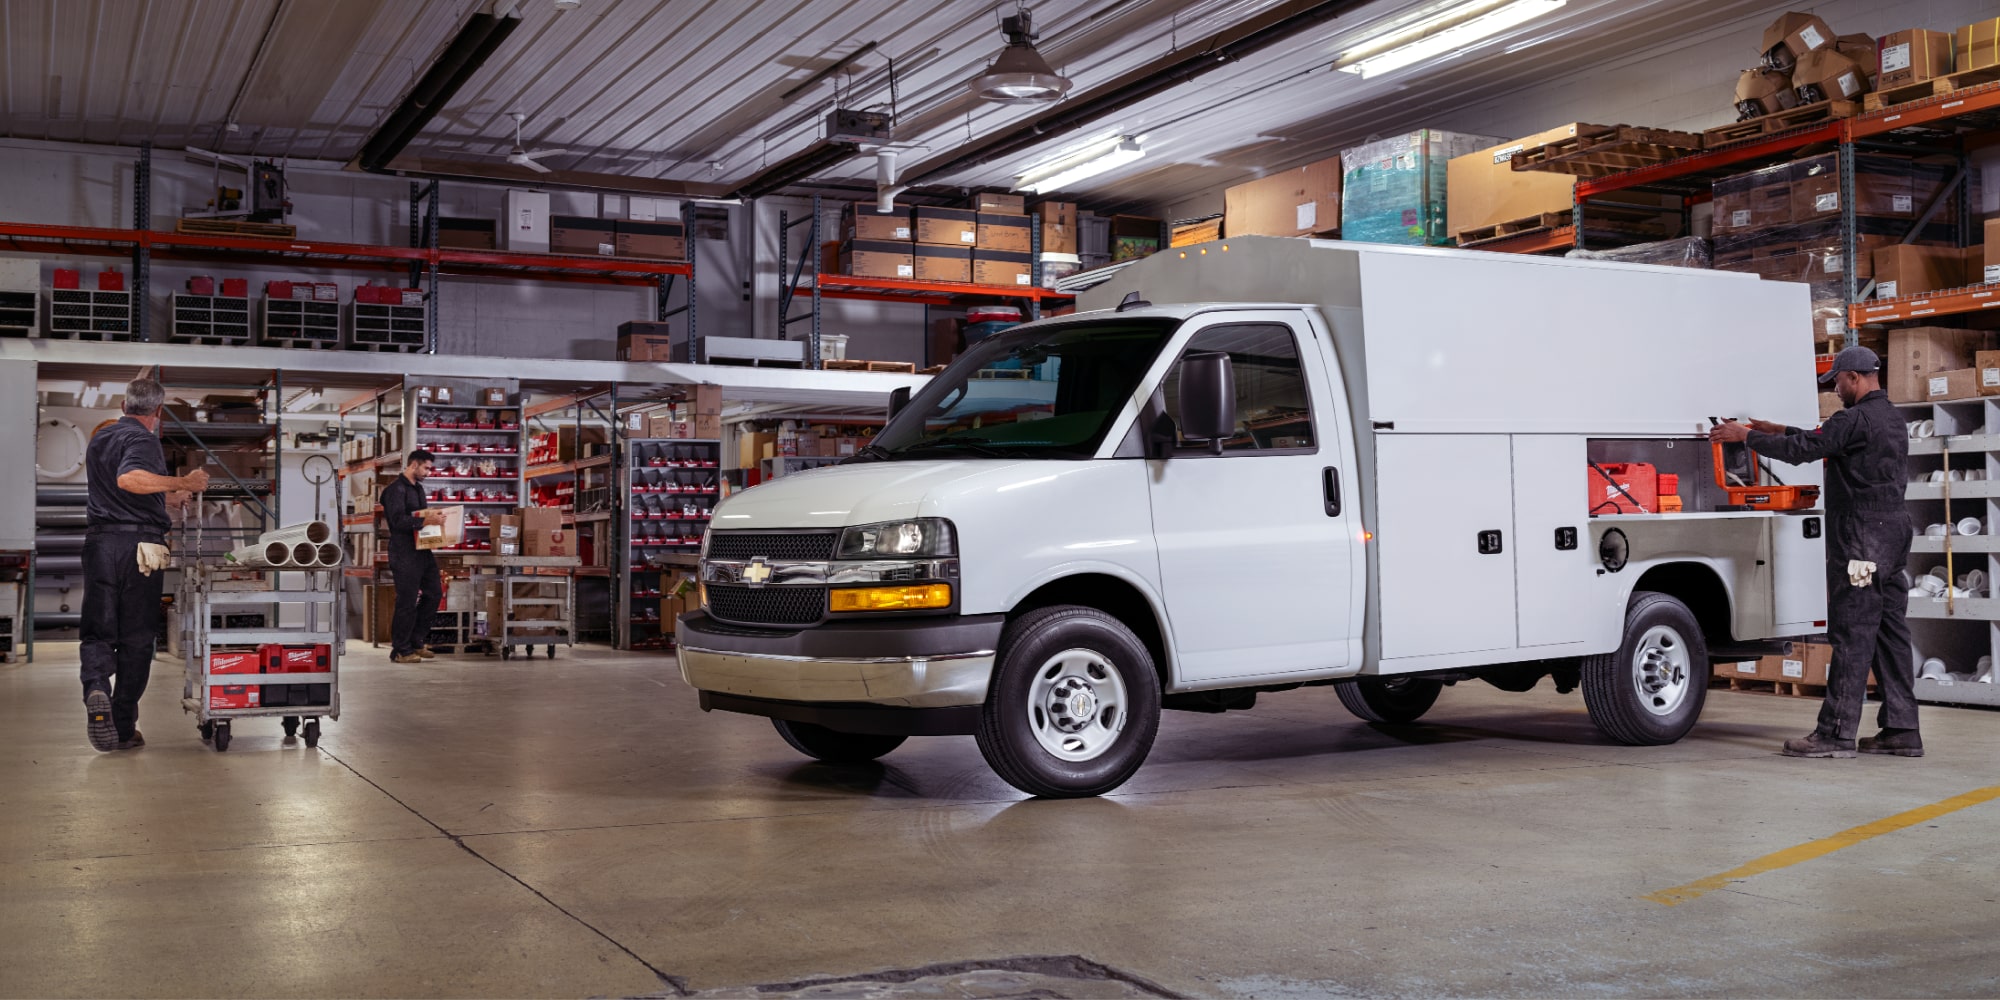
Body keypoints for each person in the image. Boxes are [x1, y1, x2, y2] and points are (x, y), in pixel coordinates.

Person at [1709, 345, 1920, 759]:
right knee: (1890, 633)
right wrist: (1779, 429)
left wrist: (1746, 437)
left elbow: (1805, 450)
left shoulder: (1854, 418)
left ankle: (1836, 734)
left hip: (1862, 540)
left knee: (1854, 633)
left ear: (1854, 377)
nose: (1835, 389)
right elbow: (1823, 441)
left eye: (1837, 381)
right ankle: (1902, 729)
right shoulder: (1891, 418)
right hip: (1893, 535)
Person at [81, 379, 209, 752]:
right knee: (137, 640)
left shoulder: (100, 439)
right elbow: (129, 478)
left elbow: (120, 490)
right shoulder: (143, 439)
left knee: (98, 631)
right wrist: (182, 480)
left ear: (123, 404)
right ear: (158, 413)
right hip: (141, 550)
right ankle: (121, 726)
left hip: (101, 543)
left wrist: (168, 498)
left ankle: (95, 688)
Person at [380, 449, 442, 665]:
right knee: (406, 601)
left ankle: (416, 641)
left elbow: (419, 516)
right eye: (426, 467)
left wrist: (433, 518)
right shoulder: (395, 490)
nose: (428, 472)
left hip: (422, 550)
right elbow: (397, 521)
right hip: (403, 552)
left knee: (434, 593)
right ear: (413, 465)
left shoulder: (419, 489)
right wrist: (425, 521)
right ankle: (400, 650)